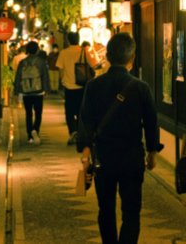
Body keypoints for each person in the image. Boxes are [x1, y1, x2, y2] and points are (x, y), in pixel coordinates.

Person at [77, 33, 161, 244]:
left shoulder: (93, 86)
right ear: (132, 58)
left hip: (103, 157)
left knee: (105, 209)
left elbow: (86, 121)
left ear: (108, 56)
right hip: (131, 158)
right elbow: (151, 122)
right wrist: (152, 151)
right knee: (131, 211)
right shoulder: (141, 88)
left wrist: (85, 154)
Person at [56, 32, 96, 145]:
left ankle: (73, 132)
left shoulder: (63, 53)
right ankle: (80, 133)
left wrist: (63, 80)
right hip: (82, 86)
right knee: (80, 110)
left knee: (69, 111)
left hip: (68, 86)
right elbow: (92, 66)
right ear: (78, 39)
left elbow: (60, 69)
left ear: (68, 40)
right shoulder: (83, 52)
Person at [13, 41, 51, 144]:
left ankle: (30, 136)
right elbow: (45, 77)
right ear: (37, 50)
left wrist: (16, 93)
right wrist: (46, 90)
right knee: (38, 113)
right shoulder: (41, 61)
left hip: (26, 92)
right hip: (38, 92)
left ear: (27, 50)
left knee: (28, 114)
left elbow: (18, 78)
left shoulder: (22, 62)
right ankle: (35, 131)